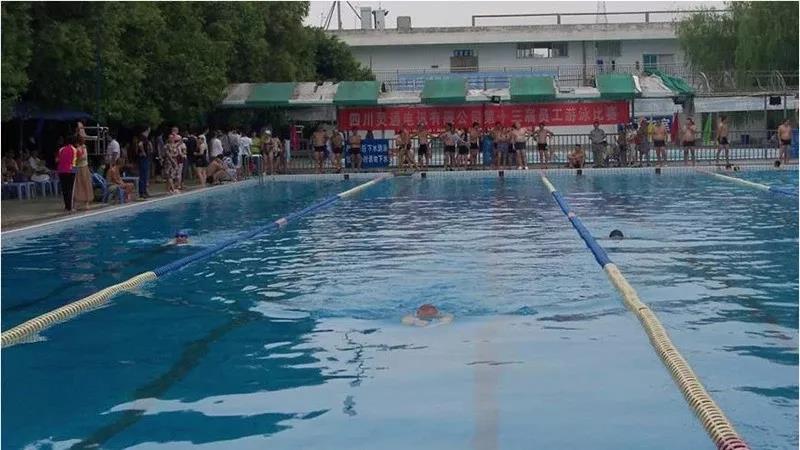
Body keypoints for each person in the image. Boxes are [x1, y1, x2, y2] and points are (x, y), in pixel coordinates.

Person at [56, 136, 77, 212]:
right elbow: (75, 160)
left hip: (61, 171)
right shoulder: (74, 149)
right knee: (70, 189)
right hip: (70, 170)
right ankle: (70, 207)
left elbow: (57, 160)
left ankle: (66, 206)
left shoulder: (61, 149)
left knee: (64, 189)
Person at [72, 136, 93, 211]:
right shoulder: (79, 148)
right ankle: (78, 203)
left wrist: (76, 158)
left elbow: (83, 157)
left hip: (83, 167)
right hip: (79, 167)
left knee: (84, 184)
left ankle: (86, 202)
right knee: (78, 185)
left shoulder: (82, 148)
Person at [135, 131, 153, 198]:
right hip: (143, 158)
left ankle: (144, 191)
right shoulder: (141, 142)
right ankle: (142, 192)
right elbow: (140, 145)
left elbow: (151, 149)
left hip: (145, 158)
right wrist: (143, 152)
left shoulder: (146, 142)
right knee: (143, 175)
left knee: (145, 176)